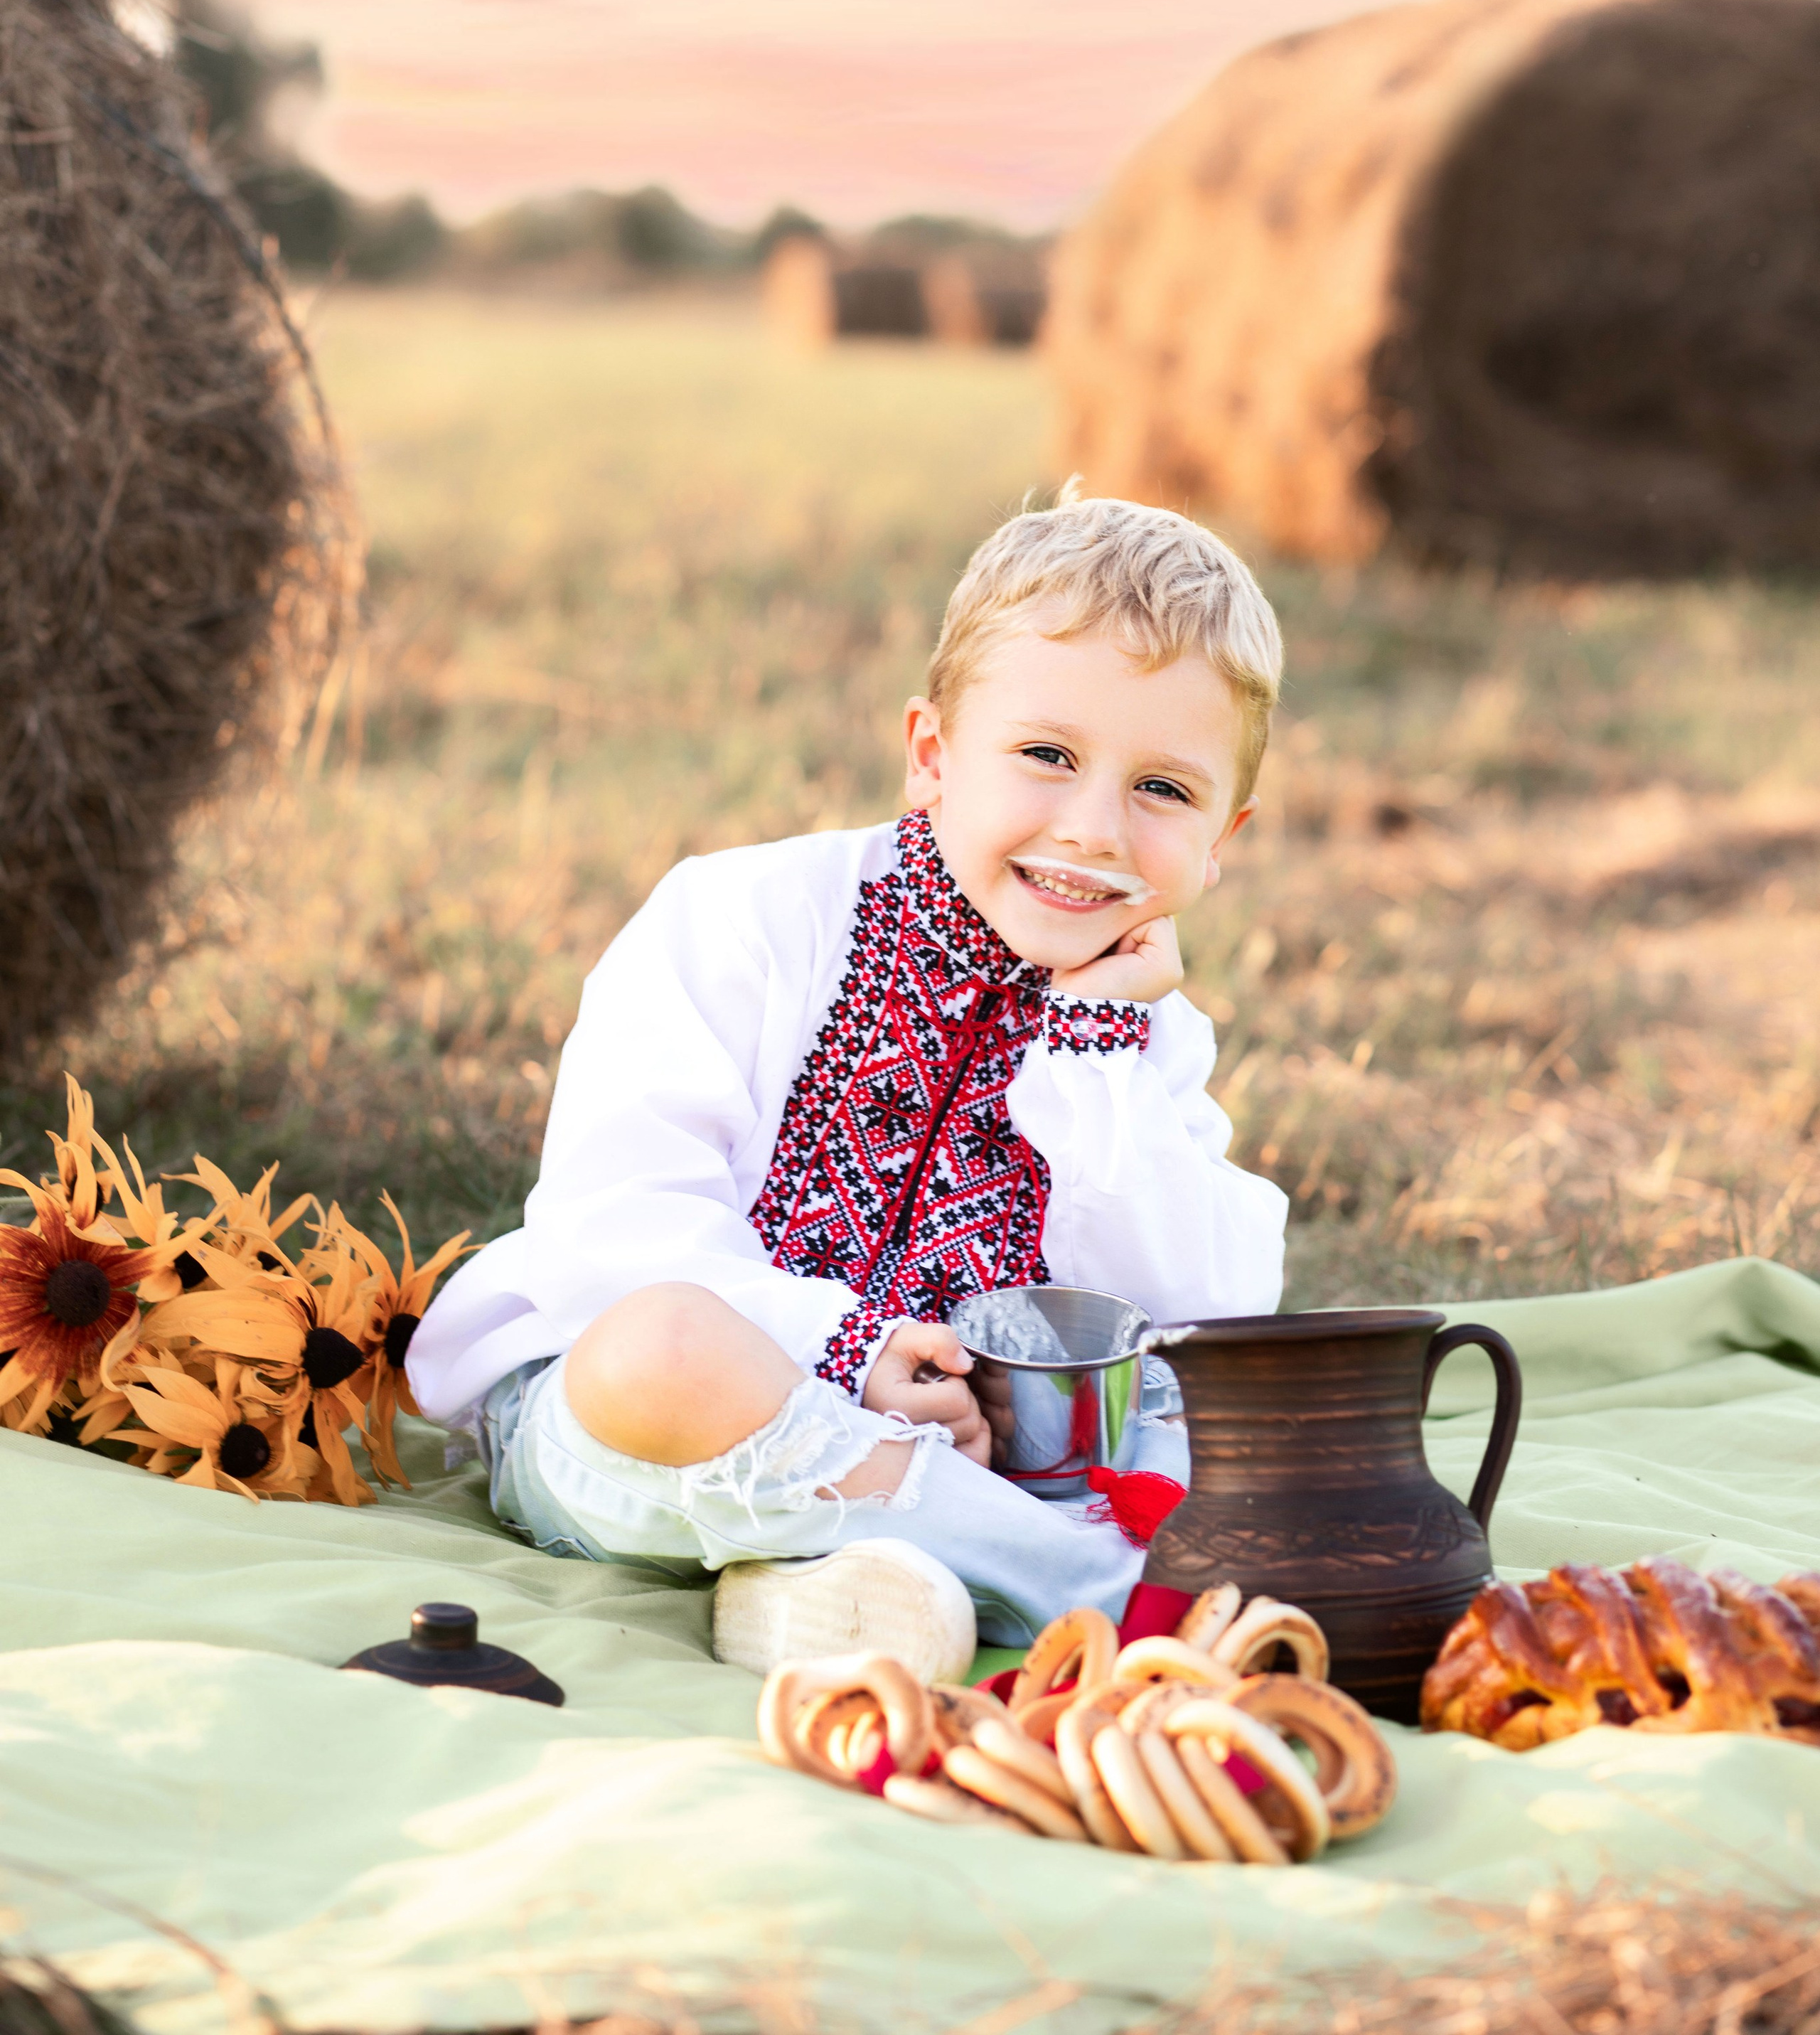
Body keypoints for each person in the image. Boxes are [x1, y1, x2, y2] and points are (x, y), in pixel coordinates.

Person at [407, 492, 1289, 1671]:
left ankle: (840, 1590)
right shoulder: (746, 920)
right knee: (661, 1345)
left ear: (1223, 836)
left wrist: (1093, 1052)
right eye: (1046, 757)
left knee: (1217, 1427)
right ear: (933, 755)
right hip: (647, 1438)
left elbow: (1193, 1318)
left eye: (1164, 790)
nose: (1093, 829)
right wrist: (845, 1347)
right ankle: (1096, 1593)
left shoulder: (1136, 1027)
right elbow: (610, 1231)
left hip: (986, 1467)